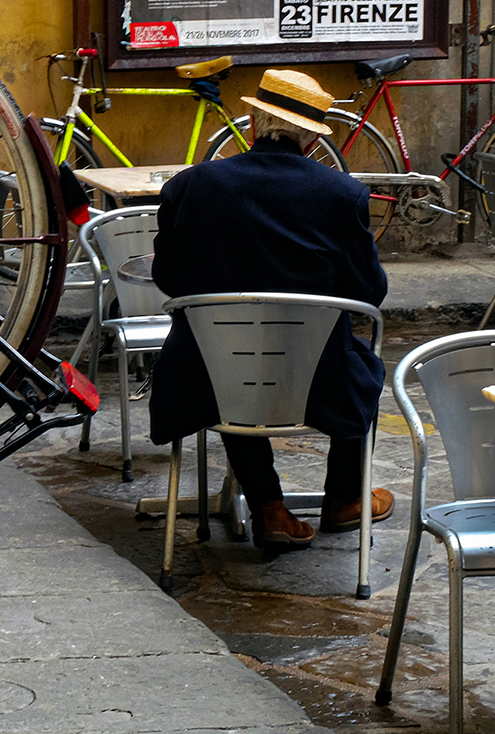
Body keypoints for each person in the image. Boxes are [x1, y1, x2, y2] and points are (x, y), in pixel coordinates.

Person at [147, 68, 392, 551]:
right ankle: (344, 500)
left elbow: (168, 280)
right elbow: (369, 292)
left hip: (209, 378)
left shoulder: (190, 186)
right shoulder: (343, 194)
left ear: (255, 121)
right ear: (312, 138)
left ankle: (269, 506)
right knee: (364, 364)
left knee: (233, 359)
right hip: (319, 378)